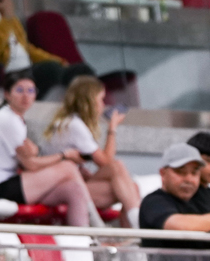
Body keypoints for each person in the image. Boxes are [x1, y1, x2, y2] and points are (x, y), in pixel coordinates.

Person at [0, 71, 96, 225]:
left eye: (30, 91)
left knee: (74, 190)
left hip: (10, 183)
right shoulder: (8, 120)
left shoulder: (13, 118)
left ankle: (86, 243)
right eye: (19, 90)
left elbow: (29, 158)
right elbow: (30, 165)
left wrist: (36, 151)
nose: (26, 96)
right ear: (7, 94)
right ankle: (98, 227)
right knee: (68, 167)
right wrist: (64, 155)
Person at [40, 75, 140, 223]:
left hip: (68, 184)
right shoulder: (74, 125)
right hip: (59, 190)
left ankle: (132, 235)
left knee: (130, 187)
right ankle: (137, 227)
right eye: (100, 99)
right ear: (89, 101)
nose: (103, 104)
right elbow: (106, 162)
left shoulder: (67, 122)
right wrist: (112, 128)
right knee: (120, 174)